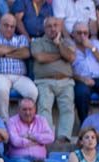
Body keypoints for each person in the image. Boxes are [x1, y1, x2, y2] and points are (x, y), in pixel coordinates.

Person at [30, 15, 76, 143]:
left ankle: (64, 137)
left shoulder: (67, 42)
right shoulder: (37, 42)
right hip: (45, 81)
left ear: (60, 27)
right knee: (44, 107)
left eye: (55, 25)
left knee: (67, 108)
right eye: (49, 26)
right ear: (44, 28)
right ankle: (47, 137)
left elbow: (71, 57)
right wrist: (61, 55)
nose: (52, 29)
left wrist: (59, 44)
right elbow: (40, 58)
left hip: (65, 81)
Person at [0, 13, 38, 119]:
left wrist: (4, 53)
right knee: (1, 90)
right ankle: (4, 120)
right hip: (0, 75)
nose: (9, 28)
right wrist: (15, 50)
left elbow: (26, 53)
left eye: (12, 26)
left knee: (33, 92)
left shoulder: (21, 38)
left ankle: (20, 120)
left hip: (20, 76)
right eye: (6, 25)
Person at [70, 22, 99, 124]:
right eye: (79, 33)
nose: (82, 36)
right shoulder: (69, 47)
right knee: (81, 93)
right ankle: (85, 125)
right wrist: (82, 79)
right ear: (72, 34)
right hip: (81, 79)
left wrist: (92, 48)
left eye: (85, 33)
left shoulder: (95, 43)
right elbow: (67, 71)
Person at [5, 96, 54, 162]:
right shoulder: (12, 121)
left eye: (30, 109)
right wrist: (38, 141)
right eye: (24, 109)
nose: (27, 112)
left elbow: (50, 137)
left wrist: (32, 136)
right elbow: (15, 141)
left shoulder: (41, 120)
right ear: (19, 110)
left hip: (40, 160)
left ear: (35, 110)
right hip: (18, 159)